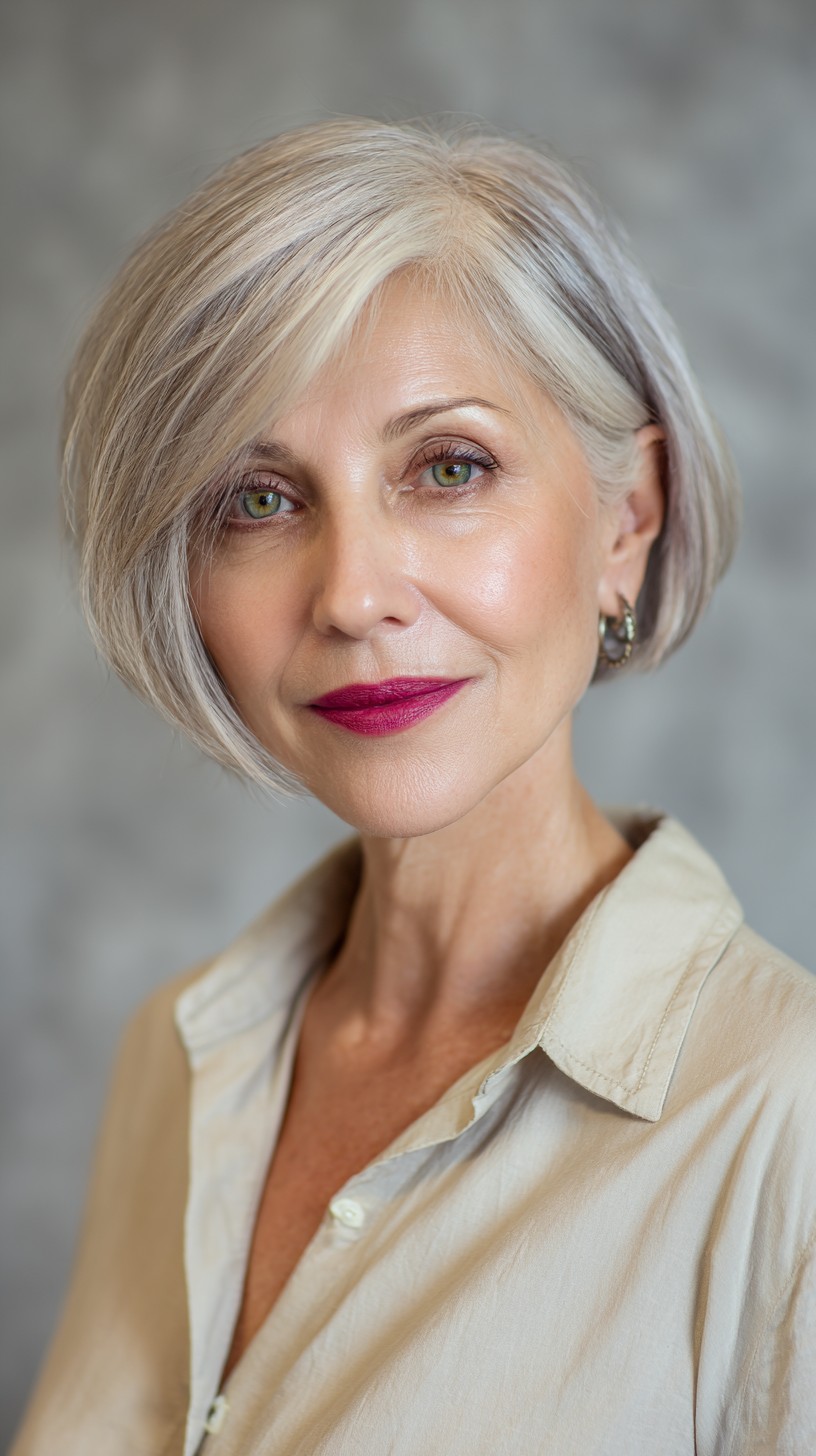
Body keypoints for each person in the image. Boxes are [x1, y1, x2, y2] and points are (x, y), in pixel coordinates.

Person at [12, 118, 815, 1456]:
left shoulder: (787, 1119)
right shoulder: (179, 1059)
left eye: (450, 468)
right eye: (257, 500)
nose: (353, 596)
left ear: (627, 520)